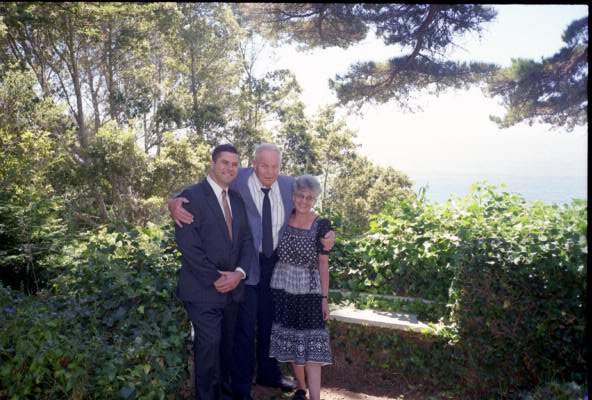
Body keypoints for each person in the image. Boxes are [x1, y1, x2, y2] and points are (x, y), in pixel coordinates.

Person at [169, 143, 335, 400]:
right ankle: (241, 386)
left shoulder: (289, 184)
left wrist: (326, 231)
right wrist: (172, 202)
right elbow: (202, 190)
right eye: (264, 165)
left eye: (275, 166)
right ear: (254, 164)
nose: (269, 171)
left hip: (277, 267)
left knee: (271, 323)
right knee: (244, 329)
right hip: (247, 264)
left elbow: (308, 200)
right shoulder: (238, 178)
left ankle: (269, 374)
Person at [175, 144, 254, 400]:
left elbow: (246, 241)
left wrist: (239, 274)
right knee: (208, 351)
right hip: (203, 292)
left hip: (232, 291)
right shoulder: (190, 197)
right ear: (212, 163)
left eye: (234, 164)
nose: (230, 168)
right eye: (224, 162)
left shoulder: (237, 200)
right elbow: (189, 247)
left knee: (225, 352)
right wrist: (217, 278)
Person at [268, 175, 332, 400]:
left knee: (312, 347)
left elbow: (323, 264)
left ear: (315, 200)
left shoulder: (322, 225)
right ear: (293, 196)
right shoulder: (283, 218)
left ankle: (315, 397)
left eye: (309, 197)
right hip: (283, 288)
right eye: (300, 196)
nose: (304, 201)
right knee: (294, 342)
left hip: (309, 291)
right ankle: (301, 388)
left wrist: (324, 298)